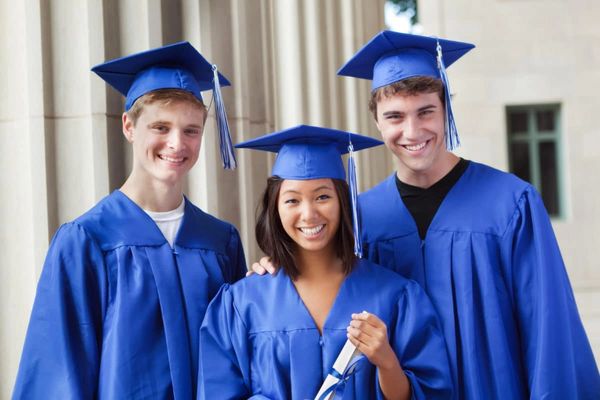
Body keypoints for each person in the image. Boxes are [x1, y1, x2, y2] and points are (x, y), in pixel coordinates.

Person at [336, 31, 600, 398]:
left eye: (425, 111)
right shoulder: (362, 217)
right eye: (394, 116)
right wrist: (273, 265)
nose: (412, 131)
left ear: (447, 110)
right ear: (377, 124)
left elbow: (548, 330)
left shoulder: (511, 203)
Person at [13, 42, 246, 399]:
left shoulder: (220, 242)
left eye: (191, 130)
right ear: (129, 126)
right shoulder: (87, 240)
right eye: (161, 127)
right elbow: (57, 371)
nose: (176, 143)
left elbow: (241, 357)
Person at [198, 125, 453, 399]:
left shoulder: (396, 296)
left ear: (343, 201)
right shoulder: (241, 303)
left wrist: (387, 361)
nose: (308, 214)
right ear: (275, 209)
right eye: (292, 200)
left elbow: (431, 392)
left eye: (322, 196)